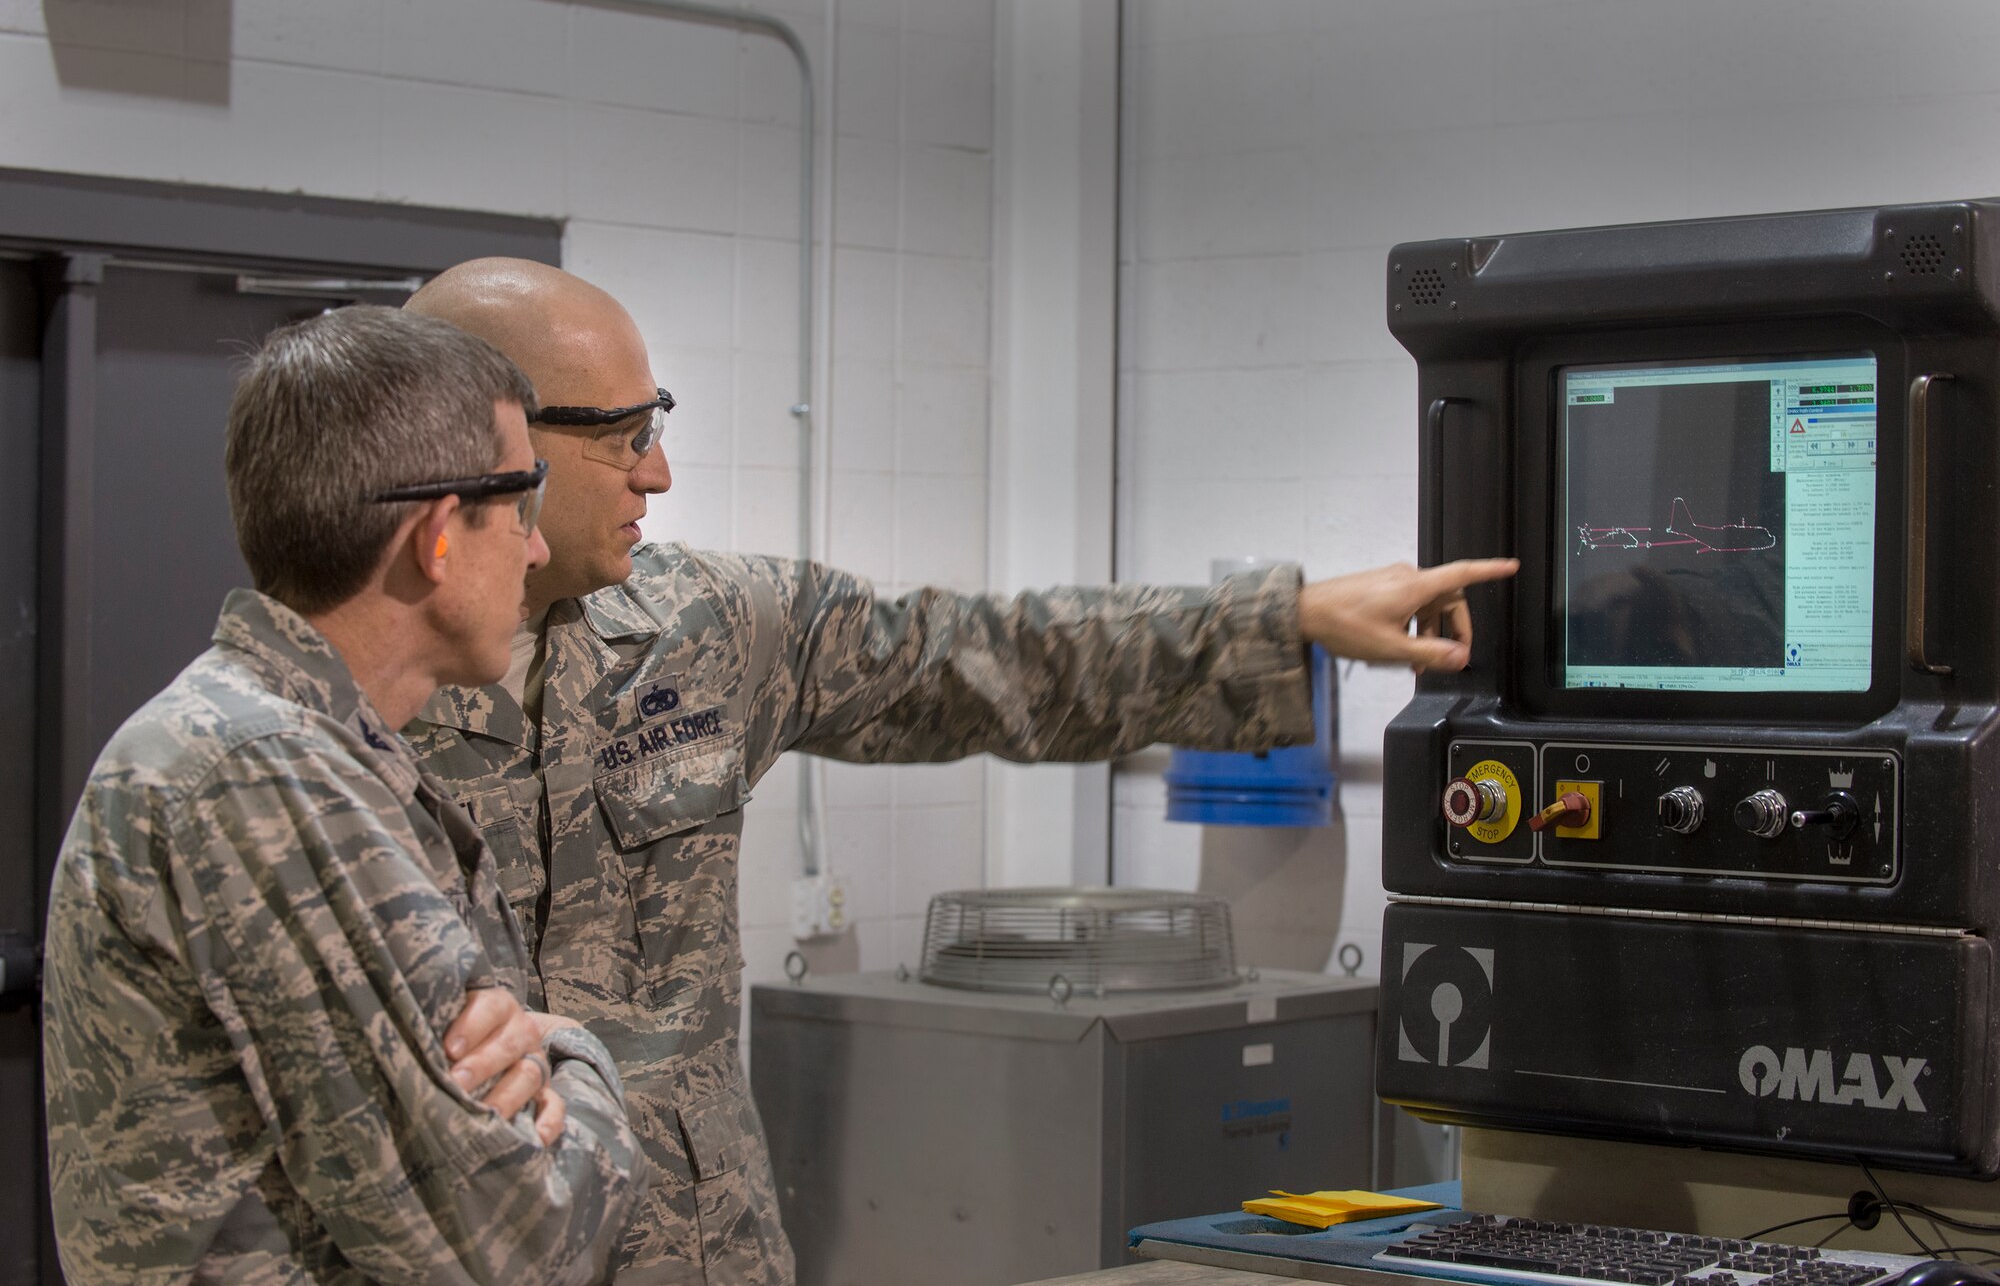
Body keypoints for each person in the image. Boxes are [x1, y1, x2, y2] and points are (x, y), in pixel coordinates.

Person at [403, 258, 1518, 1286]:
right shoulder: (329, 706)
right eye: (620, 434)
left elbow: (985, 657)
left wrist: (1287, 622)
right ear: (489, 440)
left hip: (687, 1254)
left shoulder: (704, 627)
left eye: (659, 423)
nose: (659, 469)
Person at [42, 306, 647, 1285]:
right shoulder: (260, 771)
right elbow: (514, 1240)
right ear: (440, 537)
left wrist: (526, 1056)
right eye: (522, 510)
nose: (536, 554)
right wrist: (574, 1056)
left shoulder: (314, 747)